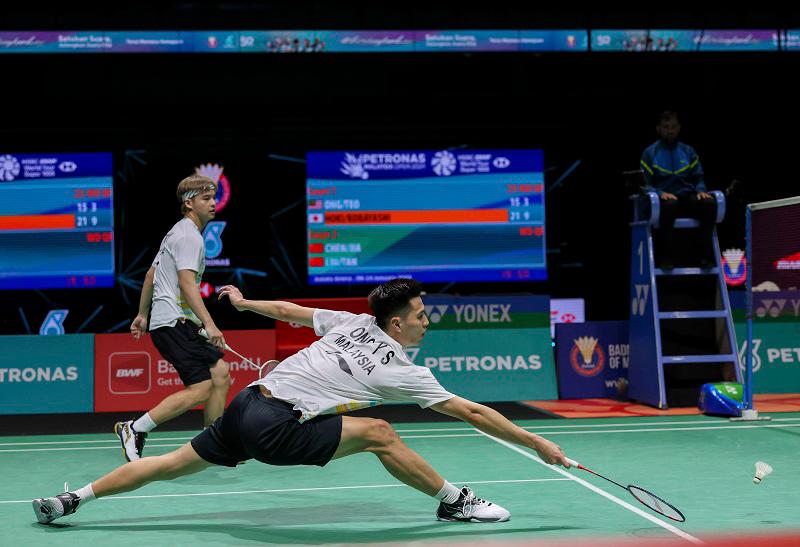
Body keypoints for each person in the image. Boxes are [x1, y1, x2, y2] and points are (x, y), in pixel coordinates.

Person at [33, 278, 569, 525]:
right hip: (275, 425)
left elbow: (290, 310)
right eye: (422, 314)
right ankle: (456, 502)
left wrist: (243, 302)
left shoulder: (352, 322)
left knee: (170, 464)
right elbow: (474, 413)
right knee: (381, 433)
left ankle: (71, 500)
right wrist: (538, 440)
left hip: (246, 406)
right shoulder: (400, 369)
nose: (428, 321)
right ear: (397, 322)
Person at [117, 174, 231, 462]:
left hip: (170, 321)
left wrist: (142, 314)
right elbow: (187, 284)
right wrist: (209, 323)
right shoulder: (188, 236)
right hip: (174, 322)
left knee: (220, 375)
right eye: (206, 198)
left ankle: (214, 442)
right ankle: (135, 428)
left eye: (213, 197)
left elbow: (150, 275)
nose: (213, 203)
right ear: (189, 202)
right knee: (201, 388)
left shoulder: (175, 233)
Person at [640, 110, 717, 269]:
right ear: (659, 129)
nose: (670, 130)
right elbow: (644, 184)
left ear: (679, 128)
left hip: (686, 196)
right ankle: (666, 258)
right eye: (666, 127)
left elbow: (698, 177)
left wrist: (701, 189)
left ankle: (704, 256)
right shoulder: (650, 153)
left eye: (673, 127)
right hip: (664, 200)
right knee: (670, 206)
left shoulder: (688, 151)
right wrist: (660, 194)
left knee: (709, 204)